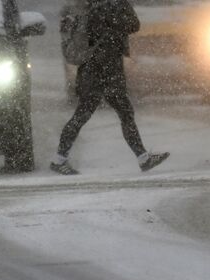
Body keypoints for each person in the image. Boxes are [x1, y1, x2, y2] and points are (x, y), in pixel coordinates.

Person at [51, 0, 169, 175]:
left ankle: (143, 158)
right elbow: (133, 25)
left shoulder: (90, 5)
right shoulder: (113, 4)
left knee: (96, 112)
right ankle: (59, 160)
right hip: (105, 67)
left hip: (94, 67)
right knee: (113, 112)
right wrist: (116, 20)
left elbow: (124, 26)